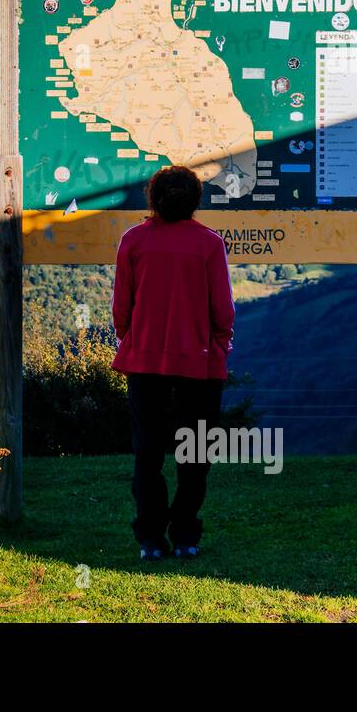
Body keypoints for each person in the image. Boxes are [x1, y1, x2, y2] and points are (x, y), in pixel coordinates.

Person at [111, 165, 234, 561]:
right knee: (195, 450)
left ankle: (150, 538)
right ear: (196, 200)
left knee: (148, 451)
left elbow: (121, 308)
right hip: (200, 363)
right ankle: (185, 535)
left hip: (145, 360)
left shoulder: (133, 241)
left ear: (153, 197)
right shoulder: (209, 244)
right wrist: (218, 346)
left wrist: (132, 340)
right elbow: (223, 310)